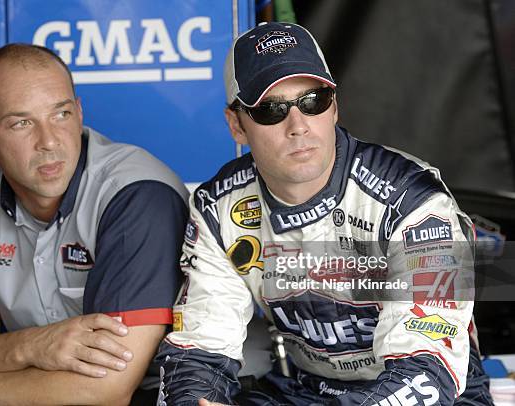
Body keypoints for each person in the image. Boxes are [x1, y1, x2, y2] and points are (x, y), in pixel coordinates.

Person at [156, 22, 493, 405]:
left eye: (312, 100)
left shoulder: (414, 201)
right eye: (271, 110)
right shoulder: (219, 209)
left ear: (334, 107)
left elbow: (426, 375)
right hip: (308, 391)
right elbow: (198, 352)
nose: (297, 126)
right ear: (237, 124)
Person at [0, 43, 189, 405]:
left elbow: (108, 390)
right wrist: (30, 346)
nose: (48, 142)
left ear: (79, 113)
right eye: (21, 123)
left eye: (61, 114)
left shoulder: (137, 194)